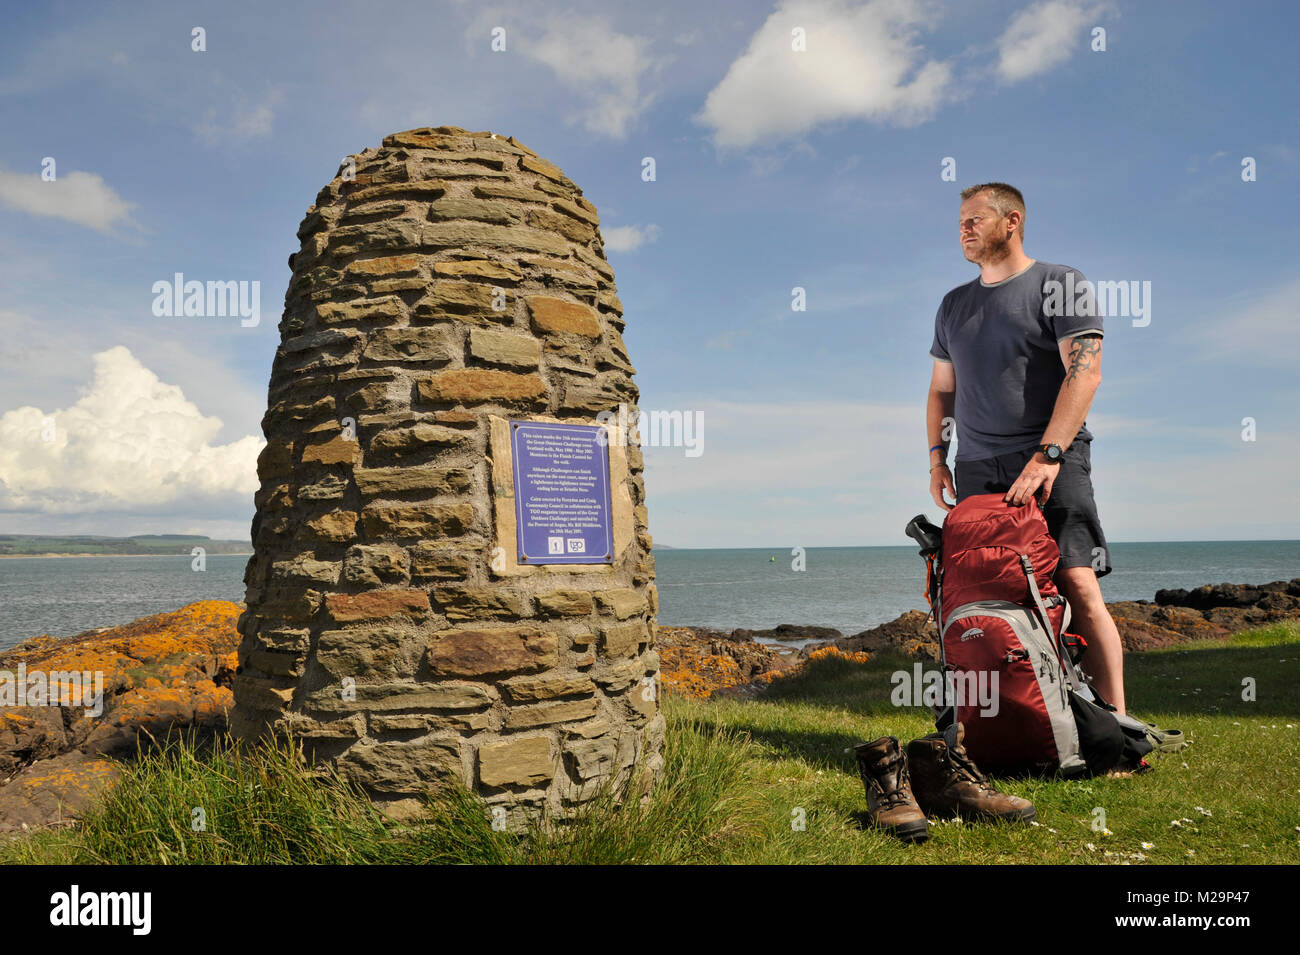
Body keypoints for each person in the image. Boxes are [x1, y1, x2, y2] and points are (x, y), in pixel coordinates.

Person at [925, 182, 1126, 715]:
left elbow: (1085, 374)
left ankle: (1117, 730)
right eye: (960, 222)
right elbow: (942, 390)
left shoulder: (1061, 283)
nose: (964, 230)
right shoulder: (953, 305)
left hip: (1051, 458)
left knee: (1076, 581)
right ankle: (1006, 723)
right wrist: (937, 459)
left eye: (975, 220)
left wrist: (1049, 455)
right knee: (979, 589)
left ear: (1011, 221)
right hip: (974, 466)